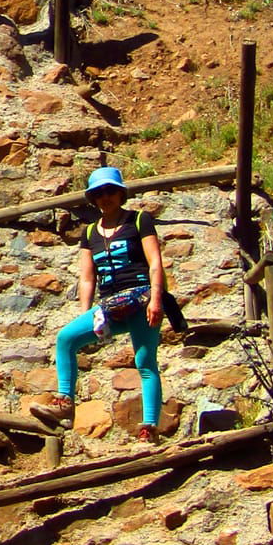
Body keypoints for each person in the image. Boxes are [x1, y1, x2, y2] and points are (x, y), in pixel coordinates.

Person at [33, 167, 168, 442]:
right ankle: (65, 404)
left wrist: (156, 299)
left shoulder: (139, 220)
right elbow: (86, 277)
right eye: (99, 193)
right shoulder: (90, 232)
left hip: (141, 298)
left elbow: (155, 262)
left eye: (110, 191)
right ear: (93, 199)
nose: (105, 197)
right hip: (109, 305)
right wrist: (87, 315)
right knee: (66, 338)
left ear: (120, 193)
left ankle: (149, 426)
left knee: (145, 361)